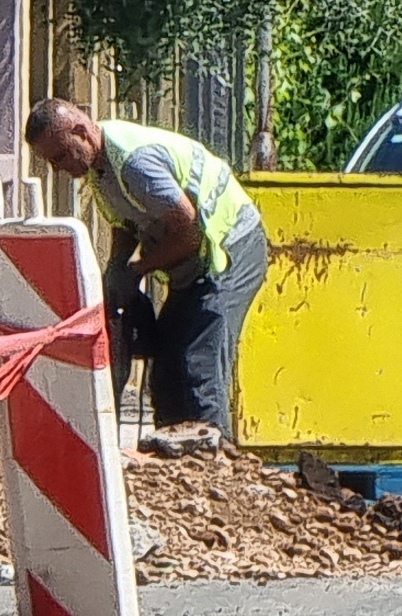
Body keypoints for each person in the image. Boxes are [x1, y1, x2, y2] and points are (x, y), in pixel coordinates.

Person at [25, 98, 271, 436]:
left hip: (230, 251)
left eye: (61, 156)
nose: (58, 168)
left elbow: (190, 233)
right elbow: (125, 223)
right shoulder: (100, 169)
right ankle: (172, 460)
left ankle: (216, 464)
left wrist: (138, 270)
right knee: (168, 365)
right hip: (196, 262)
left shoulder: (135, 165)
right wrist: (116, 270)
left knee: (200, 361)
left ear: (82, 133)